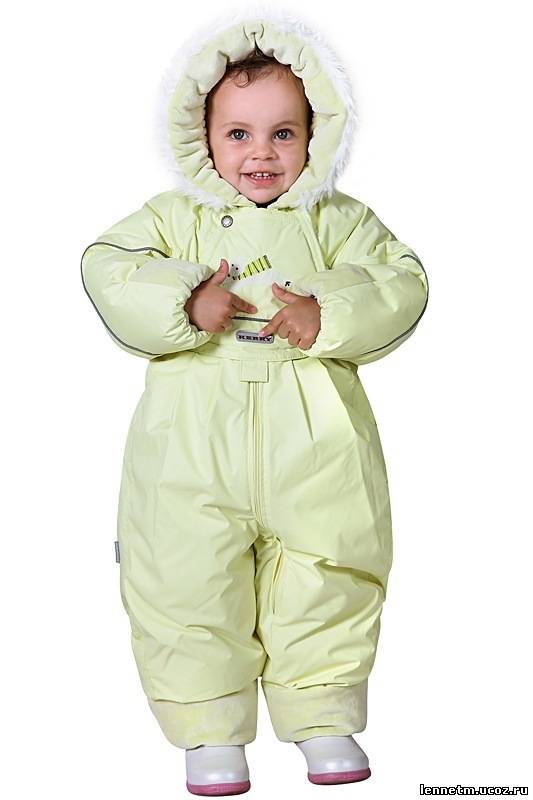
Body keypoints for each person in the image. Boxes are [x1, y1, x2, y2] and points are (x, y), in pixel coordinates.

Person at [81, 9, 429, 797]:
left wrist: (327, 309)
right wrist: (182, 299)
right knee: (183, 576)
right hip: (189, 444)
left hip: (317, 441)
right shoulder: (171, 220)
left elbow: (401, 283)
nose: (260, 153)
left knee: (329, 567)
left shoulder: (340, 222)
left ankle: (322, 712)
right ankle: (208, 727)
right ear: (200, 137)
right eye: (237, 134)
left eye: (283, 134)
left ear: (316, 137)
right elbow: (107, 267)